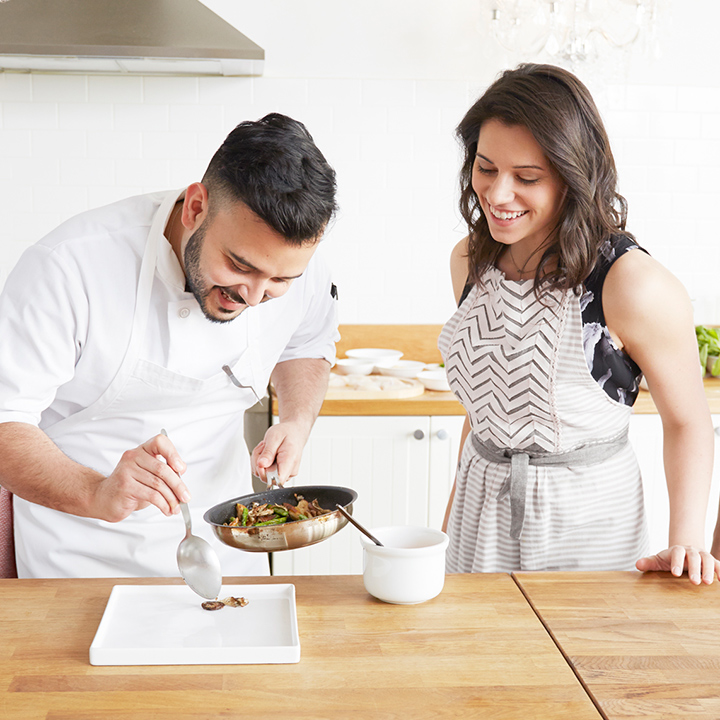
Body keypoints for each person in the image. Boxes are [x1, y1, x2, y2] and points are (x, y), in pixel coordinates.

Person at [0, 113, 339, 579]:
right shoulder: (68, 267)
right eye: (239, 265)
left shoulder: (297, 264)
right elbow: (4, 421)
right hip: (81, 558)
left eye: (279, 280)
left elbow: (307, 342)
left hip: (228, 549)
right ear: (195, 207)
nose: (254, 296)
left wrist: (296, 422)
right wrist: (98, 493)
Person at [439, 64, 719, 584]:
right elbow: (484, 409)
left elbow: (688, 421)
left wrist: (686, 542)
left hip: (585, 525)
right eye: (484, 167)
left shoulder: (629, 282)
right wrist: (447, 526)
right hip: (477, 519)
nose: (498, 196)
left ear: (573, 177)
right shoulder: (469, 260)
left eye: (526, 178)